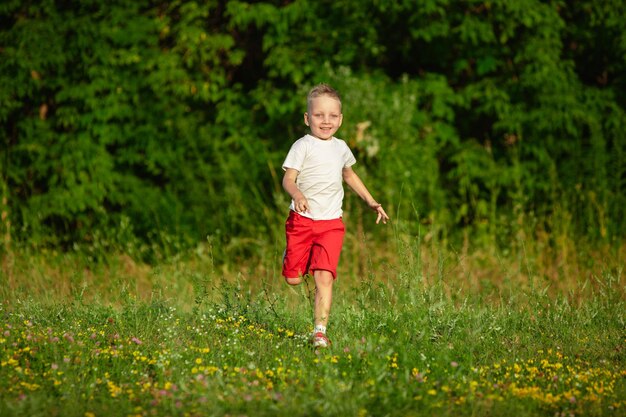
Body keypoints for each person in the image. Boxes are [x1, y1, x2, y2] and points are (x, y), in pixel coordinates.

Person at [281, 83, 389, 348]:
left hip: (331, 224)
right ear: (308, 119)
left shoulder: (341, 148)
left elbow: (349, 175)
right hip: (302, 221)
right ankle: (292, 257)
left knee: (324, 276)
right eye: (319, 115)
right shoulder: (302, 146)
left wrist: (371, 201)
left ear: (340, 120)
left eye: (332, 116)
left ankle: (319, 331)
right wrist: (297, 195)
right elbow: (288, 179)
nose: (325, 121)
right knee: (293, 279)